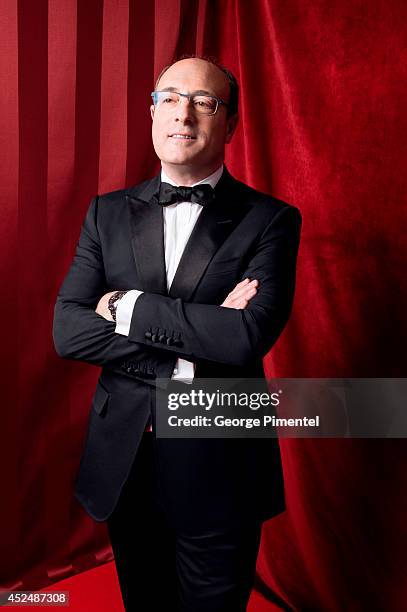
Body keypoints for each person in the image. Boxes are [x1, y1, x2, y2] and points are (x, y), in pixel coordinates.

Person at [53, 56, 302, 611]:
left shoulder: (273, 220)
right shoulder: (106, 214)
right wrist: (196, 341)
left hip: (221, 464)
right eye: (168, 97)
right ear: (152, 114)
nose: (182, 114)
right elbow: (69, 330)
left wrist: (125, 305)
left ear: (230, 123)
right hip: (125, 459)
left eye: (203, 102)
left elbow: (246, 338)